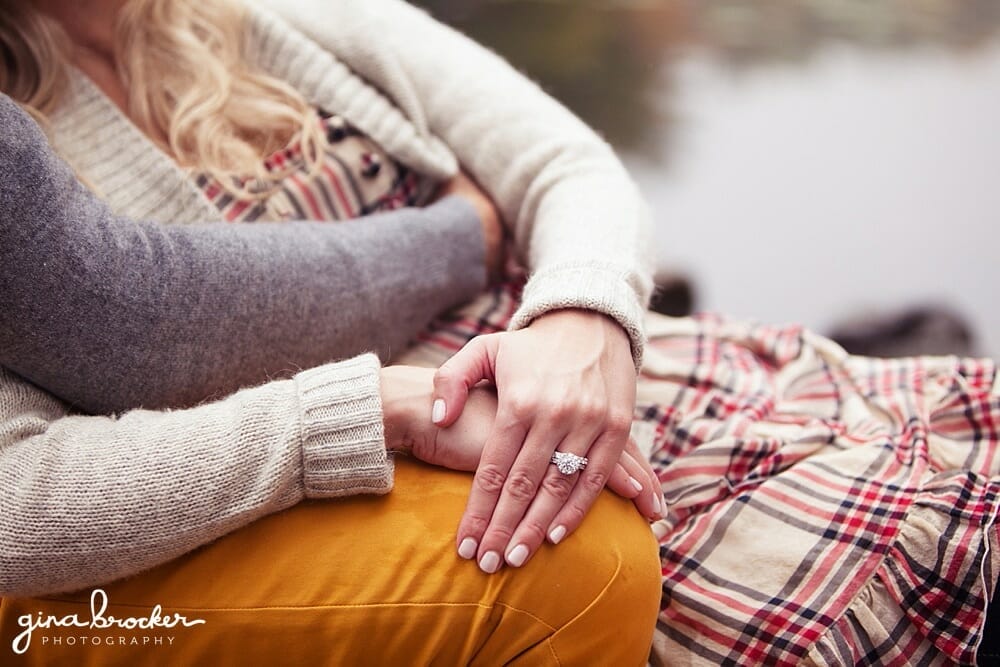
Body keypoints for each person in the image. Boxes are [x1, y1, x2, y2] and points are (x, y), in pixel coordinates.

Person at [0, 0, 662, 663]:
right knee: (601, 565)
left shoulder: (287, 12)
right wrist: (380, 405)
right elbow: (19, 494)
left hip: (576, 369)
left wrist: (583, 314)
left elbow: (563, 160)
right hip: (388, 492)